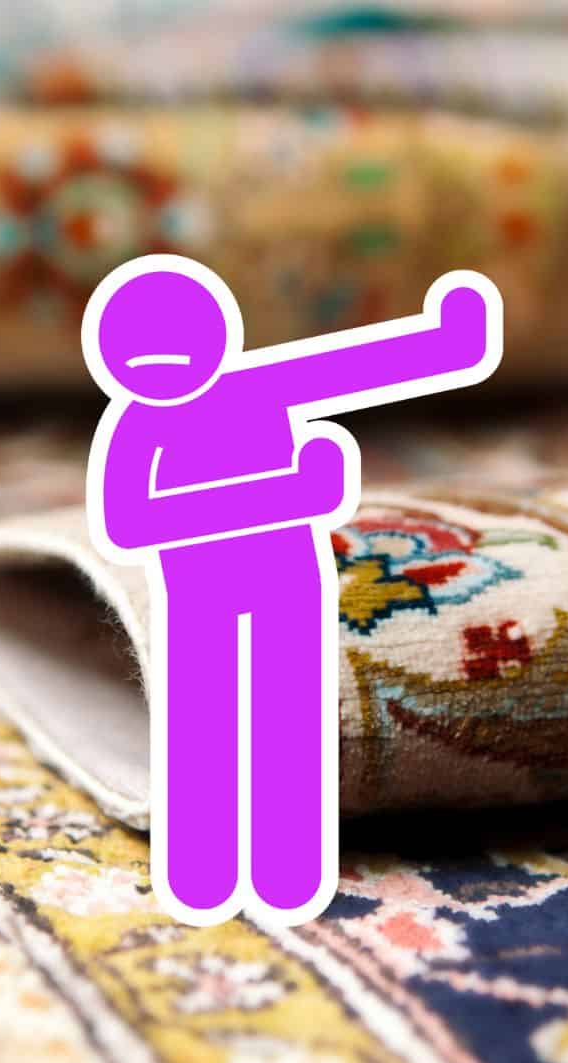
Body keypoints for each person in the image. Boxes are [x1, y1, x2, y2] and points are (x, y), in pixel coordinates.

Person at [83, 254, 502, 925]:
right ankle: (204, 868)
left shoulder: (259, 388)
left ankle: (284, 868)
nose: (163, 360)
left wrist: (458, 336)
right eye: (143, 348)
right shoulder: (138, 428)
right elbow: (131, 522)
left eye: (176, 338)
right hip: (200, 594)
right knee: (205, 722)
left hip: (284, 585)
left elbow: (374, 365)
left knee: (286, 720)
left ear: (215, 334)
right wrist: (291, 493)